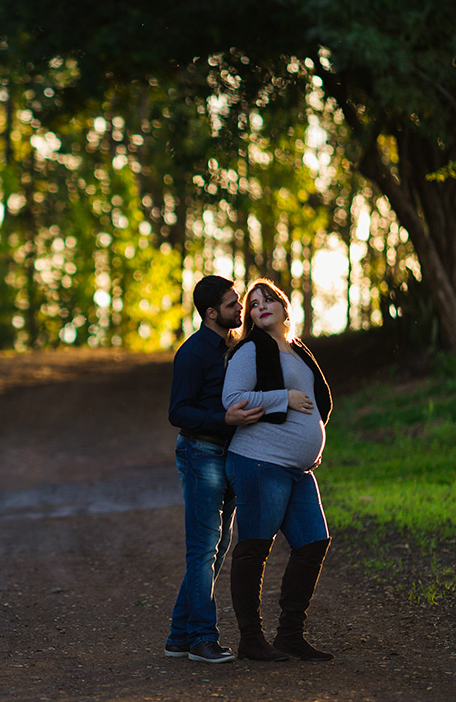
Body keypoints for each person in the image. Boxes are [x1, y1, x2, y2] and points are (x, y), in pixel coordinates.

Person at [221, 278, 334, 662]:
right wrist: (282, 397)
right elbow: (233, 400)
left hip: (298, 469)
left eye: (269, 300)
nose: (261, 306)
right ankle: (251, 639)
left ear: (286, 308)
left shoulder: (298, 350)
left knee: (313, 542)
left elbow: (318, 404)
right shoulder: (250, 351)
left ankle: (289, 635)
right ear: (250, 317)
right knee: (254, 547)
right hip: (259, 461)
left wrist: (312, 443)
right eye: (253, 304)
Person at [164, 275, 265, 663]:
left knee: (216, 548)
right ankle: (202, 639)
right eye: (231, 304)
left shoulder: (236, 349)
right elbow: (178, 411)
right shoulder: (192, 354)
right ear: (211, 313)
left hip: (230, 454)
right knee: (203, 549)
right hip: (200, 453)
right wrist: (225, 419)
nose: (240, 309)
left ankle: (178, 636)